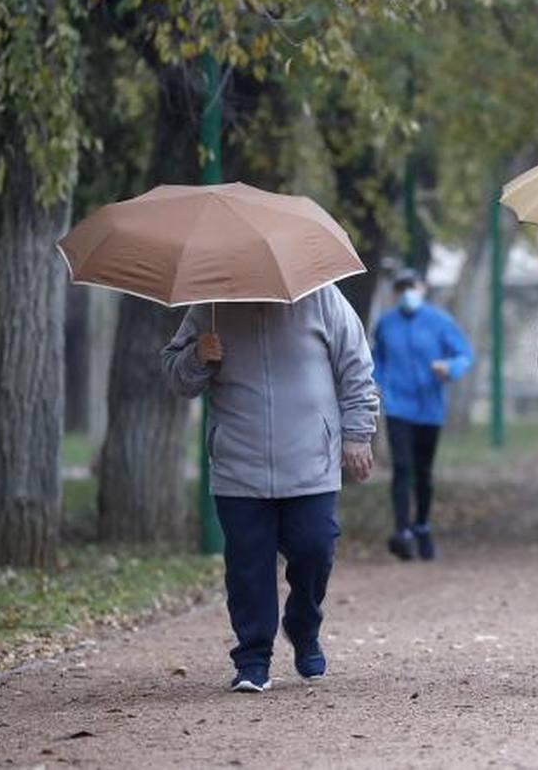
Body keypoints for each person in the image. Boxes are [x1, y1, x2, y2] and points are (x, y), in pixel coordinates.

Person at [162, 284, 379, 693]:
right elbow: (176, 377)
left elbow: (356, 366)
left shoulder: (322, 297)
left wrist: (357, 433)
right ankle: (253, 658)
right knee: (248, 567)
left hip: (310, 459)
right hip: (238, 463)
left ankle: (302, 624)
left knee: (315, 548)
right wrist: (196, 358)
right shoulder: (210, 306)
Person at [370, 269, 473, 562]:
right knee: (402, 468)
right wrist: (376, 381)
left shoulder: (440, 321)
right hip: (398, 405)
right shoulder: (386, 324)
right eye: (400, 288)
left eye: (410, 287)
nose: (406, 293)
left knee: (423, 472)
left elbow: (463, 354)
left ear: (422, 288)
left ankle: (422, 526)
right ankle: (402, 531)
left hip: (430, 407)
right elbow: (377, 358)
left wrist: (449, 368)